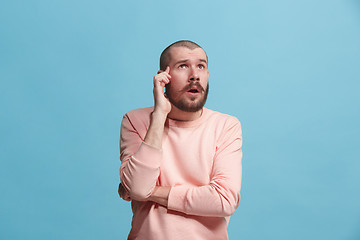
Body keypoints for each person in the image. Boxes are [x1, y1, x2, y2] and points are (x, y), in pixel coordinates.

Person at [118, 40, 243, 240]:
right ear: (163, 78)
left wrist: (149, 192)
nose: (195, 75)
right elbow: (139, 187)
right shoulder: (135, 120)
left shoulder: (226, 126)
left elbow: (224, 200)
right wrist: (159, 115)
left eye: (201, 66)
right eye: (183, 66)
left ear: (207, 75)